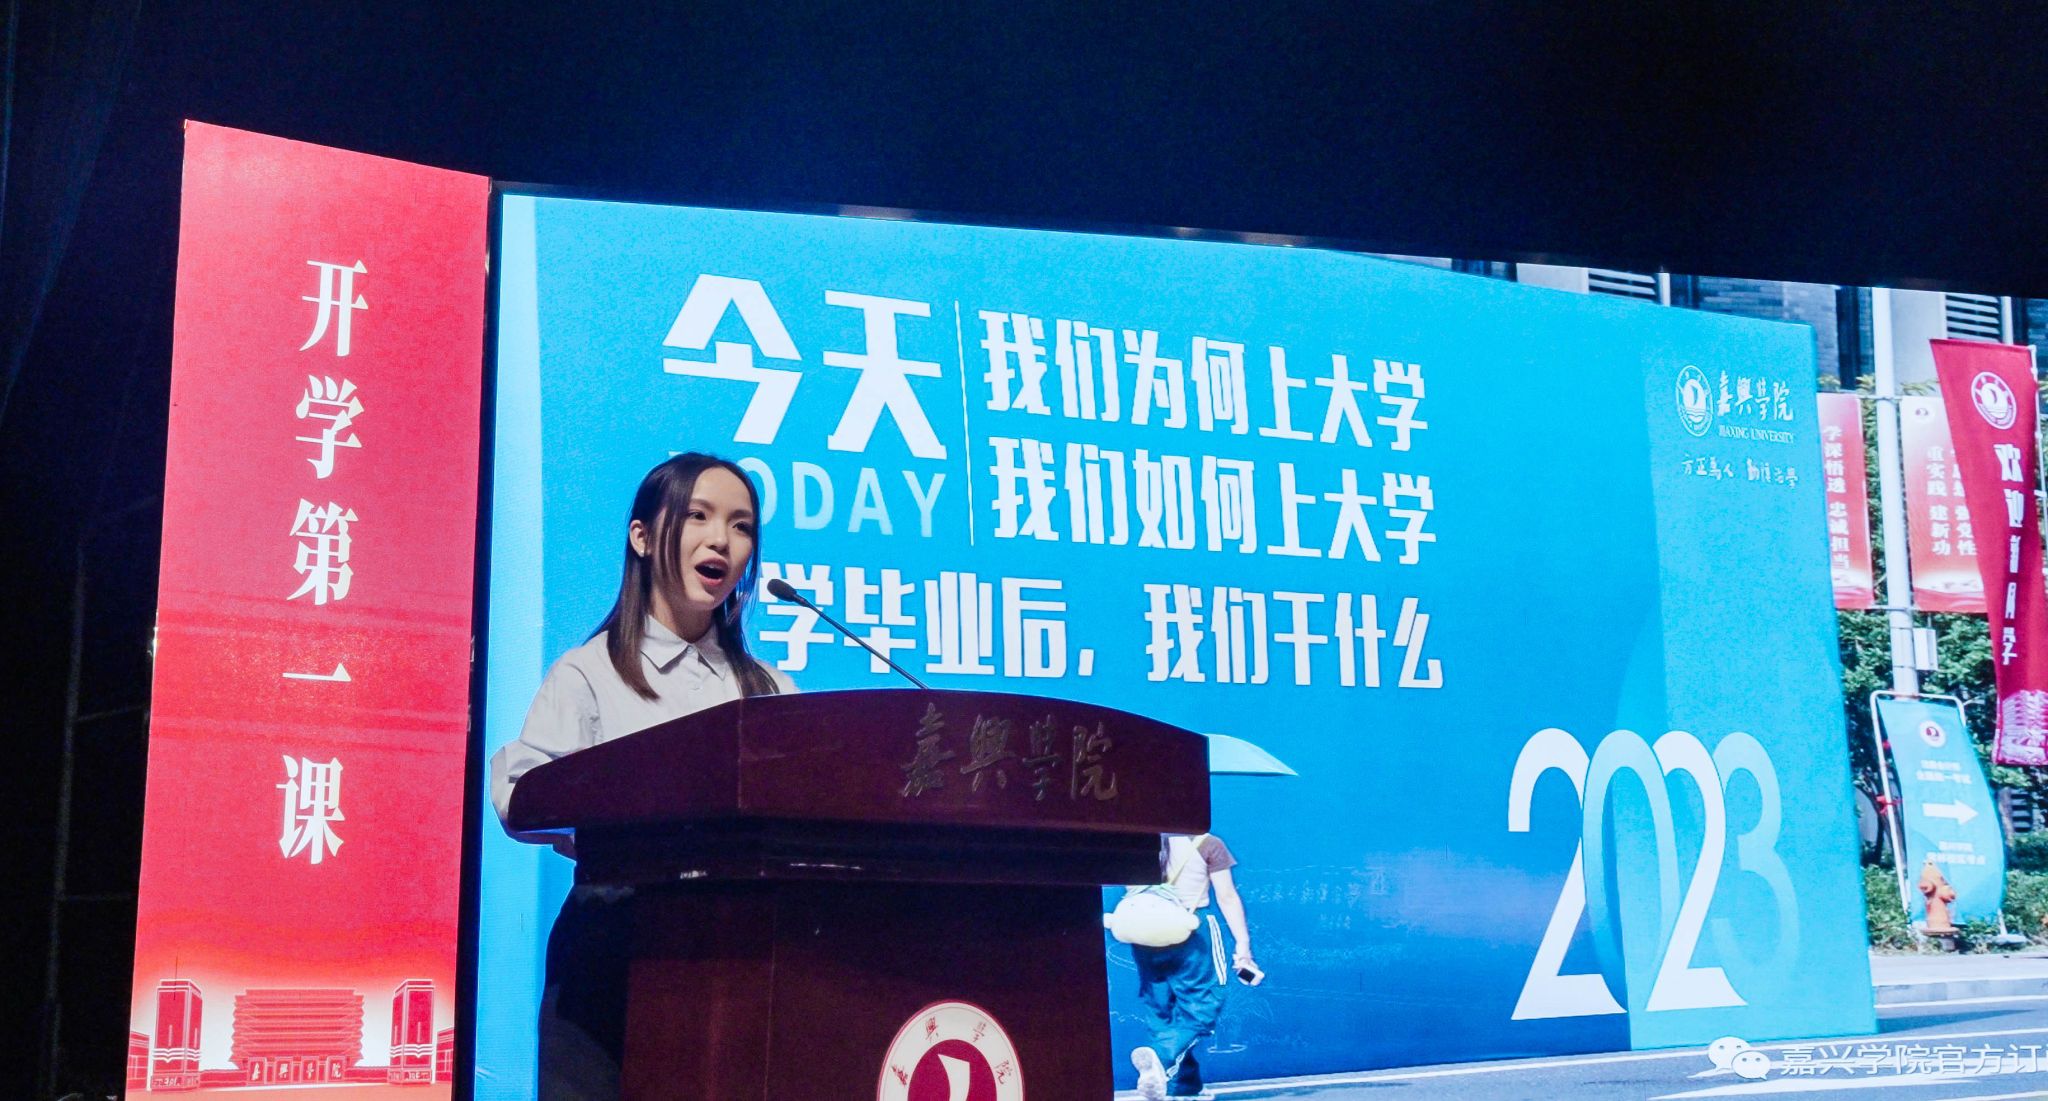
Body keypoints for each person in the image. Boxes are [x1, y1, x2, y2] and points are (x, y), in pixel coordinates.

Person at [489, 452, 792, 1101]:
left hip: (741, 950)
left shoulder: (767, 689)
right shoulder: (590, 672)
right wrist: (614, 821)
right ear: (643, 537)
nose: (721, 540)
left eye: (741, 526)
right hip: (613, 946)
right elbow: (519, 793)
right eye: (699, 516)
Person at [1129, 832, 1257, 1101]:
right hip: (1190, 927)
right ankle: (1161, 1059)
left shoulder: (1136, 839)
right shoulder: (1206, 842)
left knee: (1161, 1009)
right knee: (1205, 1003)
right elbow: (1227, 896)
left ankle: (1183, 1086)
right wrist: (1243, 945)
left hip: (1142, 930)